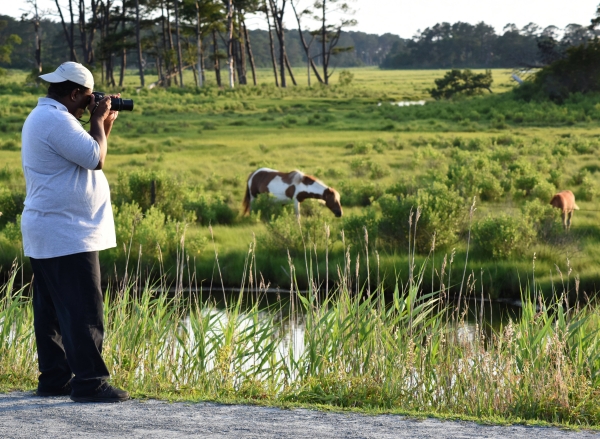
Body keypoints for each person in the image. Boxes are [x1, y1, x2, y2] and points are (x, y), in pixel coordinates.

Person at [20, 62, 129, 403]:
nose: (89, 104)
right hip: (67, 231)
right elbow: (95, 159)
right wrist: (97, 120)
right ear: (73, 93)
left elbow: (89, 153)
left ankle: (54, 378)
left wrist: (104, 125)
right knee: (84, 309)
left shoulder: (49, 116)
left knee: (52, 311)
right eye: (87, 98)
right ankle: (91, 382)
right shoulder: (57, 120)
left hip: (52, 228)